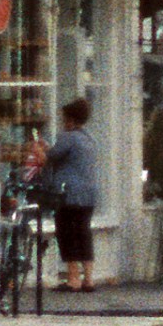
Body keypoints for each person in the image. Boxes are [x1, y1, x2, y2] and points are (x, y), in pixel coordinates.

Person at [38, 98, 106, 291]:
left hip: (68, 193)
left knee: (67, 233)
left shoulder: (68, 137)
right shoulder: (89, 139)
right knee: (84, 232)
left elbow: (49, 158)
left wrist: (41, 150)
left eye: (64, 118)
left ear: (70, 118)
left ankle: (73, 278)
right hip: (89, 194)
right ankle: (89, 279)